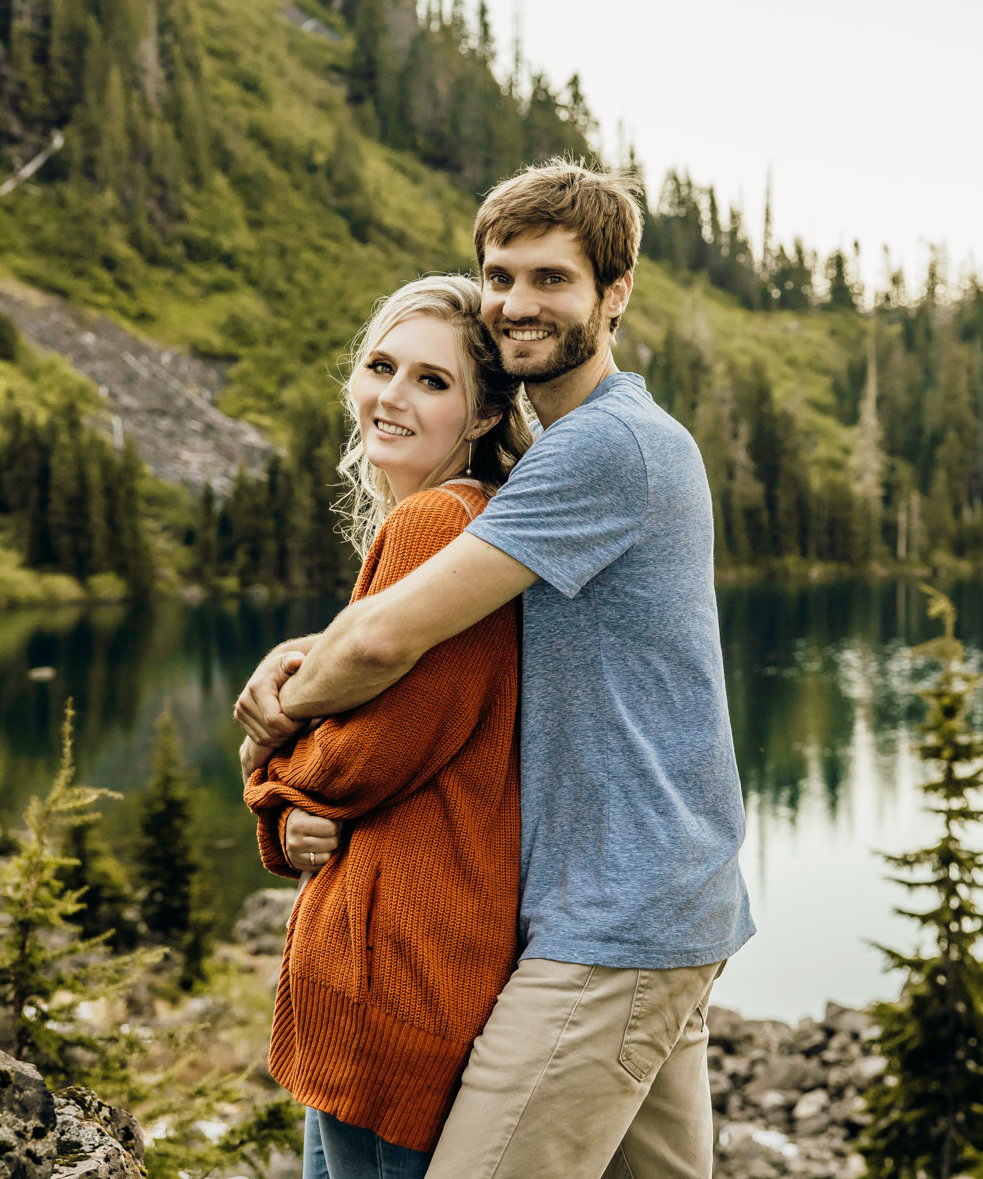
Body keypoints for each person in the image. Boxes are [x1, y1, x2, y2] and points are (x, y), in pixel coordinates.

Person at [235, 160, 755, 1178]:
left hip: (610, 924)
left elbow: (386, 644)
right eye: (500, 275)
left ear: (614, 293)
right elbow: (394, 636)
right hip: (654, 905)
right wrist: (309, 657)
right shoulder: (568, 455)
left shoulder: (603, 449)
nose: (518, 302)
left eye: (550, 279)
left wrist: (268, 728)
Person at [241, 274, 532, 1179]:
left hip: (400, 973)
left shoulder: (447, 524)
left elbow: (370, 756)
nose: (392, 396)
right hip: (388, 967)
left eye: (432, 381)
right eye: (381, 366)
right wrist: (287, 813)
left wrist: (263, 769)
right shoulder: (448, 523)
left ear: (483, 417)